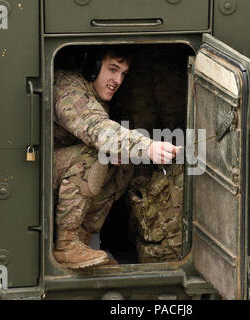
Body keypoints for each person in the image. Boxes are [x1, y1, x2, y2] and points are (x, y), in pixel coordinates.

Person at [53, 47, 181, 269]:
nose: (117, 80)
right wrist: (147, 147)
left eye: (123, 74)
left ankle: (83, 238)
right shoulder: (70, 90)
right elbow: (98, 129)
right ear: (92, 68)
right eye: (112, 70)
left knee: (122, 162)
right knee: (95, 155)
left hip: (62, 171)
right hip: (38, 175)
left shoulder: (94, 93)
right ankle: (66, 245)